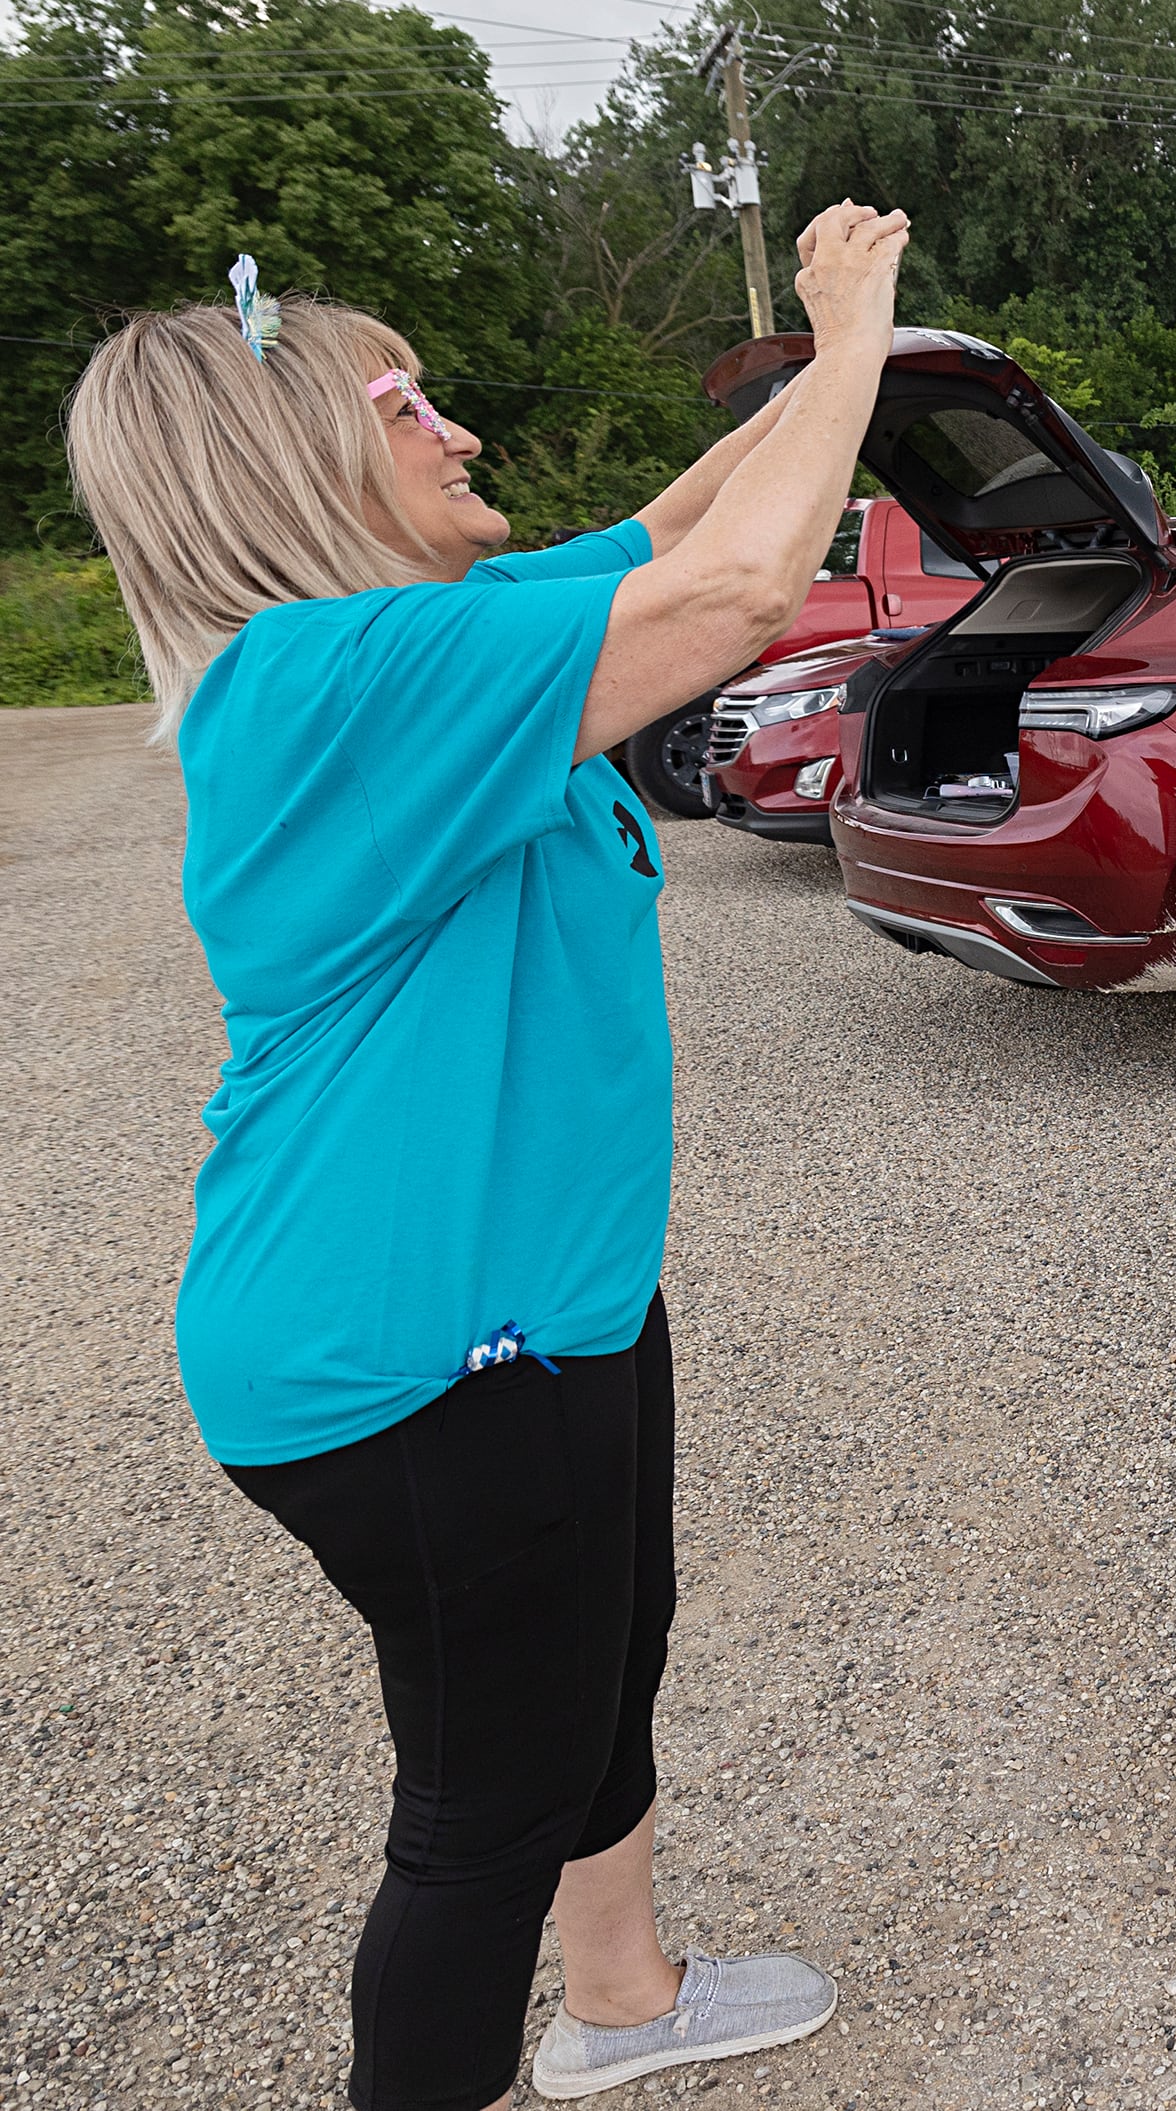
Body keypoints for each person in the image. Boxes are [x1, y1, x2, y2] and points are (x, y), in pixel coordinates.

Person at [62, 200, 910, 2109]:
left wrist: (835, 374)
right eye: (407, 402)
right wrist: (853, 323)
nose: (456, 431)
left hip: (554, 1303)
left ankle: (625, 1999)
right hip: (420, 1358)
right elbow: (741, 593)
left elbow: (689, 525)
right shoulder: (321, 685)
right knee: (479, 1814)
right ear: (288, 464)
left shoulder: (453, 636)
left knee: (605, 1664)